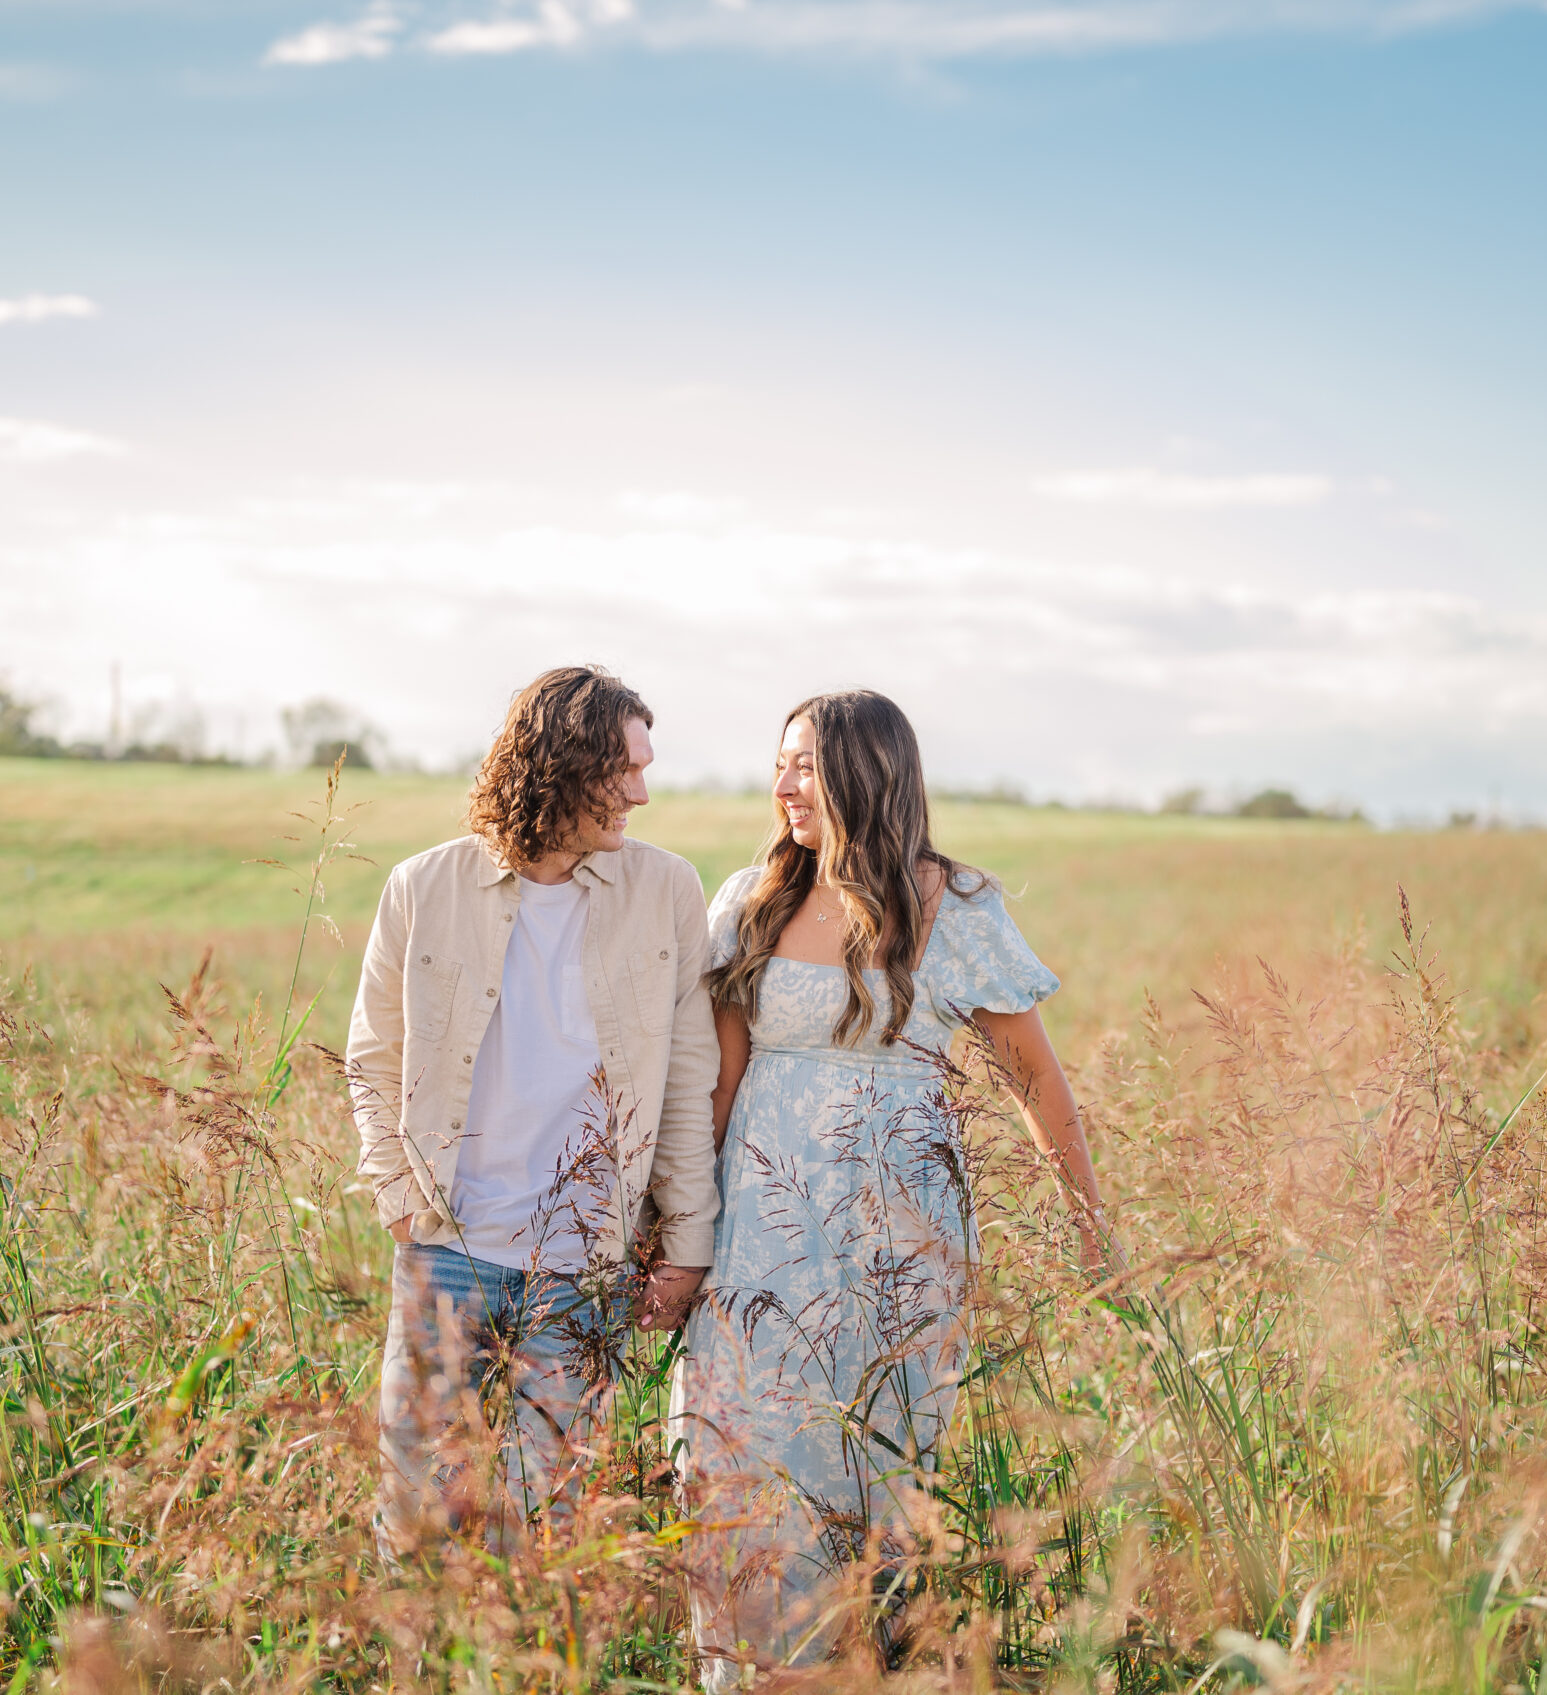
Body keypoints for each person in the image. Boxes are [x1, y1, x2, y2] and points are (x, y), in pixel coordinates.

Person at [673, 690, 1110, 1686]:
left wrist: (1093, 1228)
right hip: (759, 1234)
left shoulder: (952, 905)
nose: (781, 782)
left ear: (865, 773)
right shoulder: (753, 898)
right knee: (745, 1454)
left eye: (803, 764)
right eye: (777, 762)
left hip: (900, 1239)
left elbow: (1036, 1079)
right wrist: (679, 1232)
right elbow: (720, 1082)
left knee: (874, 1471)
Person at [348, 665, 719, 1544]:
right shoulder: (422, 886)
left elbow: (686, 1081)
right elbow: (372, 1056)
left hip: (583, 1266)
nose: (641, 792)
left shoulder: (666, 891)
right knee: (417, 1518)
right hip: (446, 1248)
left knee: (544, 1523)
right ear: (562, 764)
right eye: (623, 771)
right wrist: (400, 1200)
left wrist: (687, 1239)